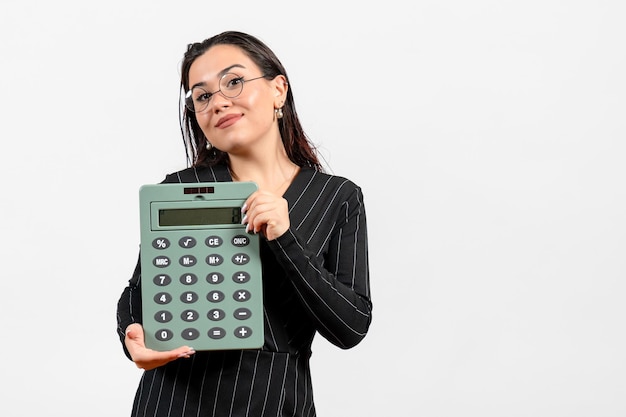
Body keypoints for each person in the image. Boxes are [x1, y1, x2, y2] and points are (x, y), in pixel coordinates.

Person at [116, 30, 372, 417]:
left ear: (278, 90)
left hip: (275, 400)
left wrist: (285, 239)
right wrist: (130, 332)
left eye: (233, 82)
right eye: (202, 96)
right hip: (173, 401)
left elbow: (350, 326)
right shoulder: (180, 189)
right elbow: (141, 290)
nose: (218, 102)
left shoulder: (337, 198)